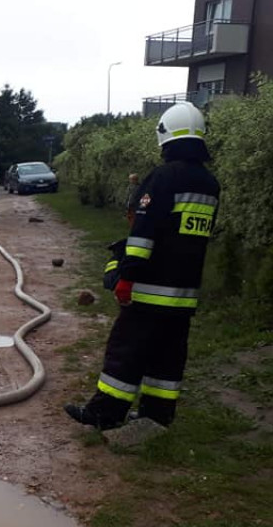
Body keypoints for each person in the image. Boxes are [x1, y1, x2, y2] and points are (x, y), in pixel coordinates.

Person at [65, 102, 220, 430]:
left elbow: (144, 234)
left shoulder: (163, 177)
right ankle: (156, 416)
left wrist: (126, 275)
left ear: (166, 136)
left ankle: (103, 414)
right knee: (168, 356)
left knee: (126, 351)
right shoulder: (209, 184)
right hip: (184, 293)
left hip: (150, 289)